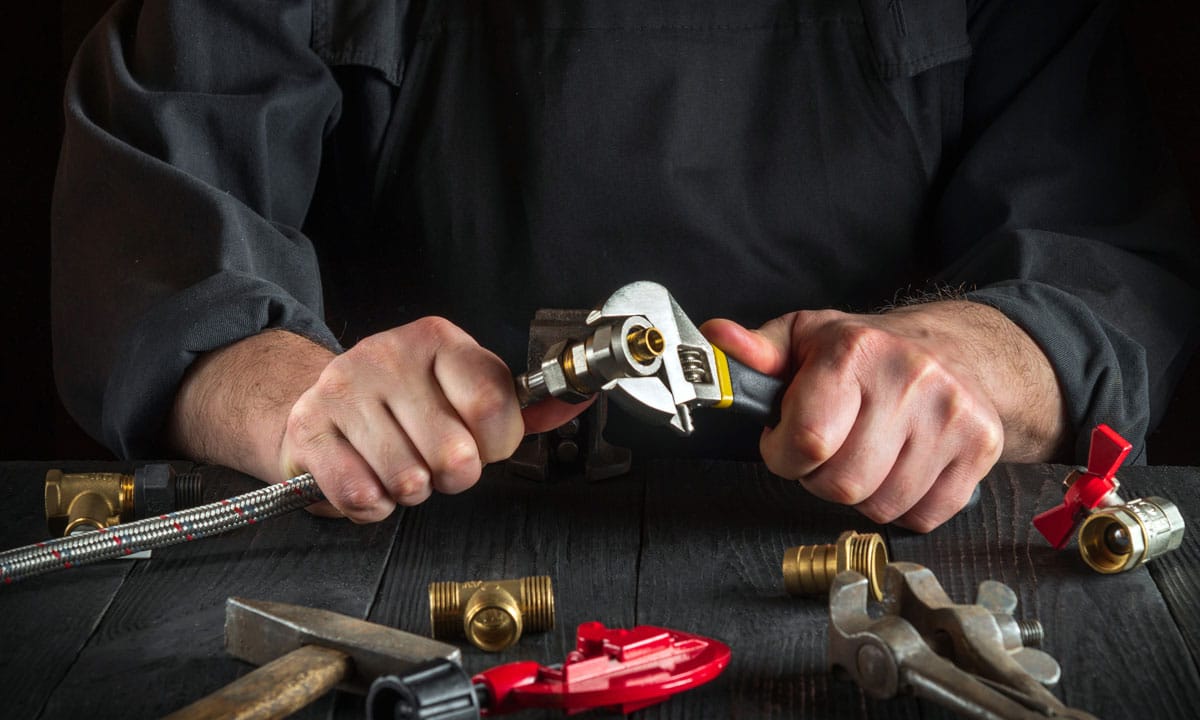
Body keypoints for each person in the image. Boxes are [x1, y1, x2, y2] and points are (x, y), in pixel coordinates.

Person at [52, 0, 1200, 532]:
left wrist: (950, 364)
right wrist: (298, 398)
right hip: (392, 548)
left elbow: (1098, 256)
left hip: (864, 558)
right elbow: (156, 222)